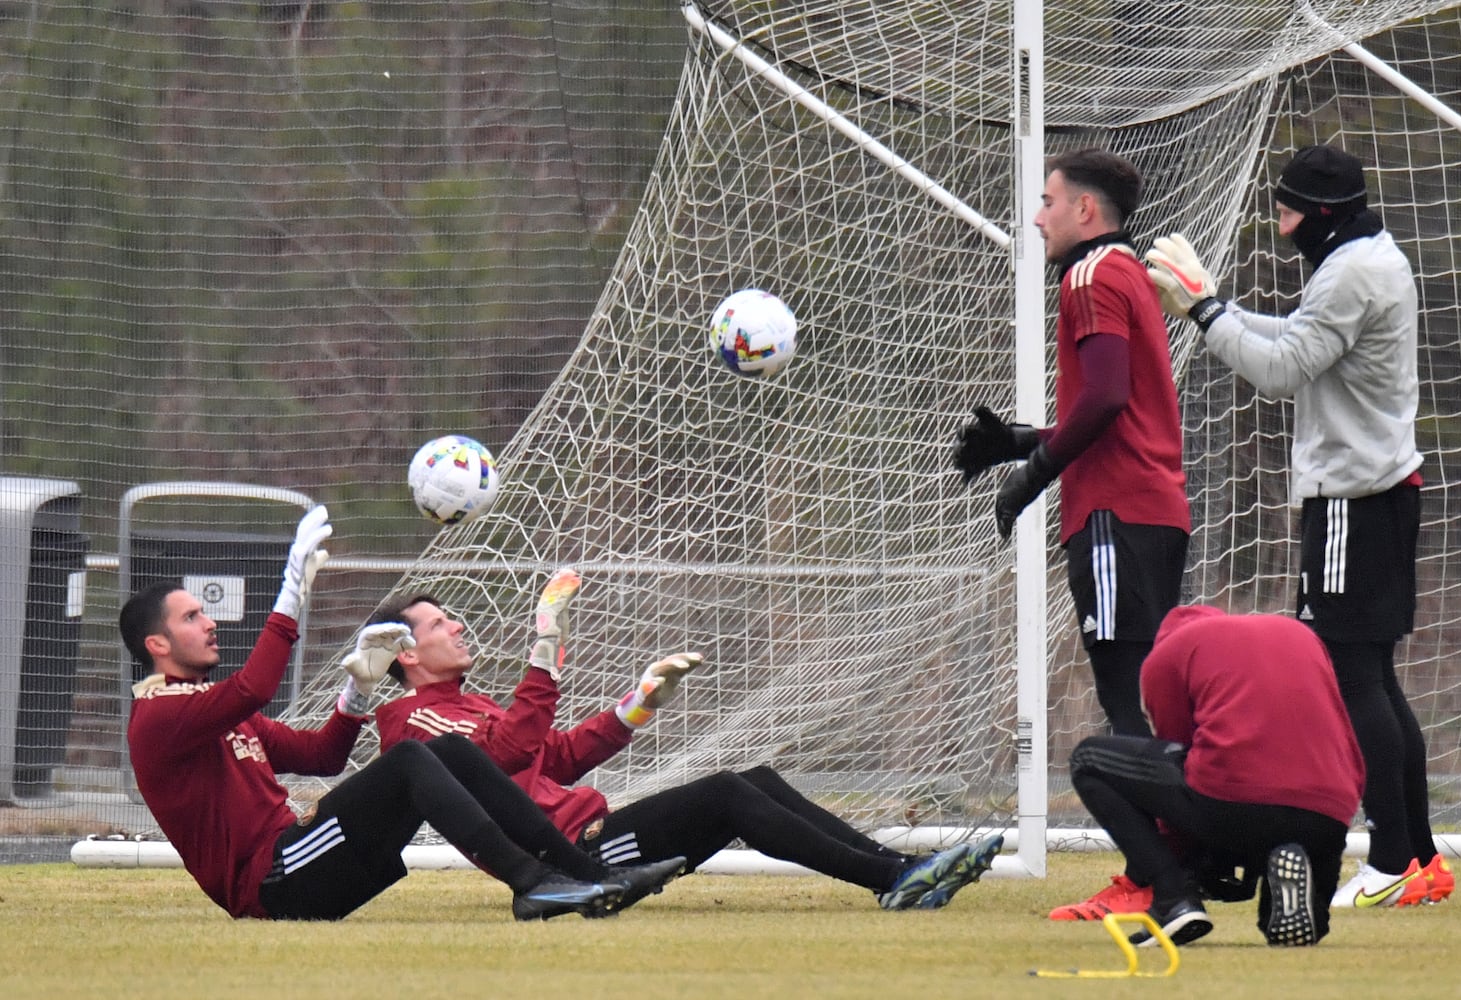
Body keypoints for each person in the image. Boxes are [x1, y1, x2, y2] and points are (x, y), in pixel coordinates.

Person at [1145, 143, 1452, 908]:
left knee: (1352, 681)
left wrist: (1206, 313)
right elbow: (1295, 337)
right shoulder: (1359, 256)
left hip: (1354, 497)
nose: (1279, 227)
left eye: (1287, 212)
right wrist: (1212, 301)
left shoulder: (1351, 271)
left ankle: (1389, 863)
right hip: (1373, 490)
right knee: (1373, 678)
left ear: (1320, 215)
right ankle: (1419, 857)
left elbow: (1281, 372)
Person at [121, 505, 683, 922]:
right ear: (158, 645)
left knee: (449, 753)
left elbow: (323, 756)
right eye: (193, 616)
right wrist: (290, 595)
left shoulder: (206, 709)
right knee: (416, 757)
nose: (210, 622)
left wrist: (357, 693)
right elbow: (255, 686)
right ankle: (534, 883)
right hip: (274, 879)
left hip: (304, 860)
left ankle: (588, 879)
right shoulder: (159, 716)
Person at [371, 569, 1004, 911]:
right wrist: (546, 643)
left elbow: (554, 757)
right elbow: (510, 749)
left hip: (597, 837)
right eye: (436, 622)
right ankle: (893, 879)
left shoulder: (466, 703)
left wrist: (637, 703)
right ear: (405, 653)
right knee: (729, 792)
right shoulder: (411, 720)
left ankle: (902, 871)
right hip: (577, 858)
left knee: (752, 779)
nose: (456, 624)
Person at [951, 148, 1190, 919]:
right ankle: (1167, 866)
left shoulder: (1089, 277)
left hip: (1115, 513)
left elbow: (1109, 401)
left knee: (1126, 703)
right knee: (1140, 695)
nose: (1036, 214)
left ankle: (1160, 877)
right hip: (1149, 508)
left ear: (1085, 211)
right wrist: (1023, 441)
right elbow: (1125, 404)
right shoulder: (1124, 272)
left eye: (1047, 199)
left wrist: (1035, 472)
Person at [1068, 605, 1365, 946]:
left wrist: (1183, 864)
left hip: (1234, 799)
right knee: (1284, 914)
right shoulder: (1300, 635)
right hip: (1329, 813)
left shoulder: (1167, 654)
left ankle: (1173, 901)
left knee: (1088, 759)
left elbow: (1179, 754)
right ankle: (1289, 888)